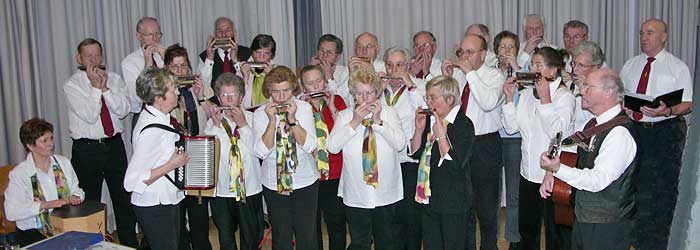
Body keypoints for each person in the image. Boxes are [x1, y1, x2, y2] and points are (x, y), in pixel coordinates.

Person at [540, 68, 637, 250]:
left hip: (606, 225)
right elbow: (575, 157)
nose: (582, 91)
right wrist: (551, 173)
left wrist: (558, 169)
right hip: (585, 218)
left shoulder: (619, 134)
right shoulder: (594, 124)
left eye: (588, 87)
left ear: (608, 92)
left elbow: (597, 180)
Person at [619, 18, 693, 250]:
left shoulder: (677, 66)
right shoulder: (631, 65)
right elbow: (621, 96)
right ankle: (632, 239)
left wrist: (668, 110)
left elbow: (688, 103)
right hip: (634, 131)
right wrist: (625, 106)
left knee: (660, 192)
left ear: (664, 36)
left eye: (650, 33)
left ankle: (656, 243)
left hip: (664, 133)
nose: (644, 37)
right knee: (632, 187)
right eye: (641, 33)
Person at [63, 38, 137, 247]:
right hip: (87, 149)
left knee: (123, 200)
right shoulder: (72, 85)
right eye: (89, 56)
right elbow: (89, 115)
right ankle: (92, 245)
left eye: (97, 55)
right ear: (79, 58)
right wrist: (96, 88)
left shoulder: (113, 79)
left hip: (114, 145)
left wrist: (105, 89)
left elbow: (123, 110)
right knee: (90, 204)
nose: (94, 60)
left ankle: (130, 244)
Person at [501, 47, 575, 250]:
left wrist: (545, 101)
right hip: (528, 173)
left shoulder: (564, 98)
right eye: (532, 64)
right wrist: (508, 99)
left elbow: (558, 134)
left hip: (553, 175)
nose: (532, 68)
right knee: (528, 231)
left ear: (553, 70)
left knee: (555, 234)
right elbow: (511, 127)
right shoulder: (526, 95)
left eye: (538, 65)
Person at [326, 66, 406, 250]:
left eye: (369, 93)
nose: (365, 98)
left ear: (377, 93)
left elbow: (400, 144)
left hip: (386, 192)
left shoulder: (389, 113)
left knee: (387, 241)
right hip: (356, 192)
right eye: (359, 94)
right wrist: (354, 122)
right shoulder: (346, 115)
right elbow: (333, 147)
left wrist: (378, 121)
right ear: (353, 95)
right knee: (359, 241)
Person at [442, 34, 505, 250]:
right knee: (463, 204)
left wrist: (470, 73)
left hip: (485, 145)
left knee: (487, 207)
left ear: (483, 54)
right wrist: (447, 78)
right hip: (460, 143)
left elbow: (487, 102)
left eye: (470, 52)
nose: (464, 57)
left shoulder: (495, 75)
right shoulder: (460, 76)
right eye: (462, 52)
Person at [252, 66, 318, 250]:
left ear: (293, 89)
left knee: (307, 235)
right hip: (274, 183)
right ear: (269, 91)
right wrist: (272, 122)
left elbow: (310, 146)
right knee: (281, 236)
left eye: (286, 91)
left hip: (305, 180)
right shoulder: (260, 113)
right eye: (276, 92)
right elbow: (260, 151)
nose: (281, 97)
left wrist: (292, 120)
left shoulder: (303, 108)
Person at [124, 68, 188, 250]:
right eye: (173, 89)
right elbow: (131, 181)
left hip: (167, 199)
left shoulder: (160, 118)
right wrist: (171, 165)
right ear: (159, 98)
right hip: (155, 204)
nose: (178, 92)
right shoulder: (152, 131)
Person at [410, 75, 474, 249]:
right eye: (427, 97)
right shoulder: (432, 120)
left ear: (450, 99)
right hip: (431, 196)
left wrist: (441, 136)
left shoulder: (463, 124)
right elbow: (415, 153)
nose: (428, 102)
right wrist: (419, 129)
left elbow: (455, 165)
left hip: (454, 200)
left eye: (433, 98)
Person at [205, 73, 264, 250]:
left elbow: (259, 152)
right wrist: (215, 126)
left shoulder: (254, 118)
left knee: (251, 235)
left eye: (234, 94)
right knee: (225, 236)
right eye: (224, 94)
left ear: (241, 96)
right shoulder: (213, 122)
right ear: (218, 97)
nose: (229, 99)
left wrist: (243, 125)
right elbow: (207, 155)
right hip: (223, 190)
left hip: (250, 187)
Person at [4, 118, 85, 246]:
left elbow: (77, 189)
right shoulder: (19, 174)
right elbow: (11, 212)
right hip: (32, 232)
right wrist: (44, 205)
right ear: (30, 146)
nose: (51, 144)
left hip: (64, 226)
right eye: (45, 141)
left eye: (51, 138)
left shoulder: (63, 162)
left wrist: (76, 196)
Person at [164, 44, 213, 250]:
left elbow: (214, 117)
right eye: (175, 67)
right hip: (174, 155)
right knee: (177, 211)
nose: (180, 71)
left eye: (184, 66)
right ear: (166, 69)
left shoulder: (199, 86)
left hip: (198, 154)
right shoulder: (164, 93)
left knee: (199, 211)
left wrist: (201, 96)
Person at [299, 65, 349, 250]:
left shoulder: (338, 101)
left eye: (318, 81)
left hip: (335, 172)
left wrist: (332, 107)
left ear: (325, 81)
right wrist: (302, 109)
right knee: (312, 225)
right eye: (310, 83)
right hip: (310, 174)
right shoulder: (299, 107)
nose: (315, 86)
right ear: (304, 87)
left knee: (336, 222)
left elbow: (345, 133)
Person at [381, 47, 426, 250]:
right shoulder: (380, 90)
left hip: (409, 162)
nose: (394, 70)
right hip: (384, 162)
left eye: (399, 65)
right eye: (390, 65)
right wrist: (377, 89)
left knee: (411, 217)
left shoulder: (420, 87)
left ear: (408, 66)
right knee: (390, 217)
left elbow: (426, 111)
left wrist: (410, 84)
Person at [493, 30, 522, 250]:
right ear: (495, 50)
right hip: (493, 136)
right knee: (493, 191)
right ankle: (490, 237)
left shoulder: (524, 73)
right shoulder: (489, 74)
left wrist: (519, 70)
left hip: (516, 137)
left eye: (511, 47)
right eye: (503, 47)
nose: (506, 51)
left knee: (514, 192)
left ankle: (513, 238)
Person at [122, 17, 166, 129]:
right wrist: (147, 65)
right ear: (139, 36)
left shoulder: (163, 55)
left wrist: (168, 59)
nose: (155, 39)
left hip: (168, 114)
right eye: (150, 35)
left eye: (158, 34)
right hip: (144, 116)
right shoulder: (130, 62)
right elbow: (137, 98)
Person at [198, 17, 252, 91]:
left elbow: (249, 84)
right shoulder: (205, 56)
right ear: (215, 35)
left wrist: (235, 60)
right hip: (213, 102)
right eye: (220, 31)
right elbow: (202, 85)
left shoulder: (247, 53)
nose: (224, 35)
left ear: (234, 33)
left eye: (228, 30)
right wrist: (209, 59)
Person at [567, 41, 605, 131]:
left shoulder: (603, 90)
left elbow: (596, 120)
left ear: (595, 67)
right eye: (574, 63)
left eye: (581, 65)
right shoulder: (569, 85)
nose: (575, 69)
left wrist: (582, 89)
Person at [311, 34, 352, 107]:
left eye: (329, 52)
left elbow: (340, 100)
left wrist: (330, 79)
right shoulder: (311, 70)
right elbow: (298, 96)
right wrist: (310, 73)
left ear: (338, 57)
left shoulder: (347, 74)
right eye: (322, 51)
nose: (324, 55)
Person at [241, 34, 277, 108]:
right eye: (258, 52)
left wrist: (271, 78)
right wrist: (245, 78)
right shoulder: (242, 71)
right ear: (252, 53)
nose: (261, 57)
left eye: (266, 53)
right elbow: (238, 100)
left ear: (272, 55)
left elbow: (281, 98)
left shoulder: (279, 72)